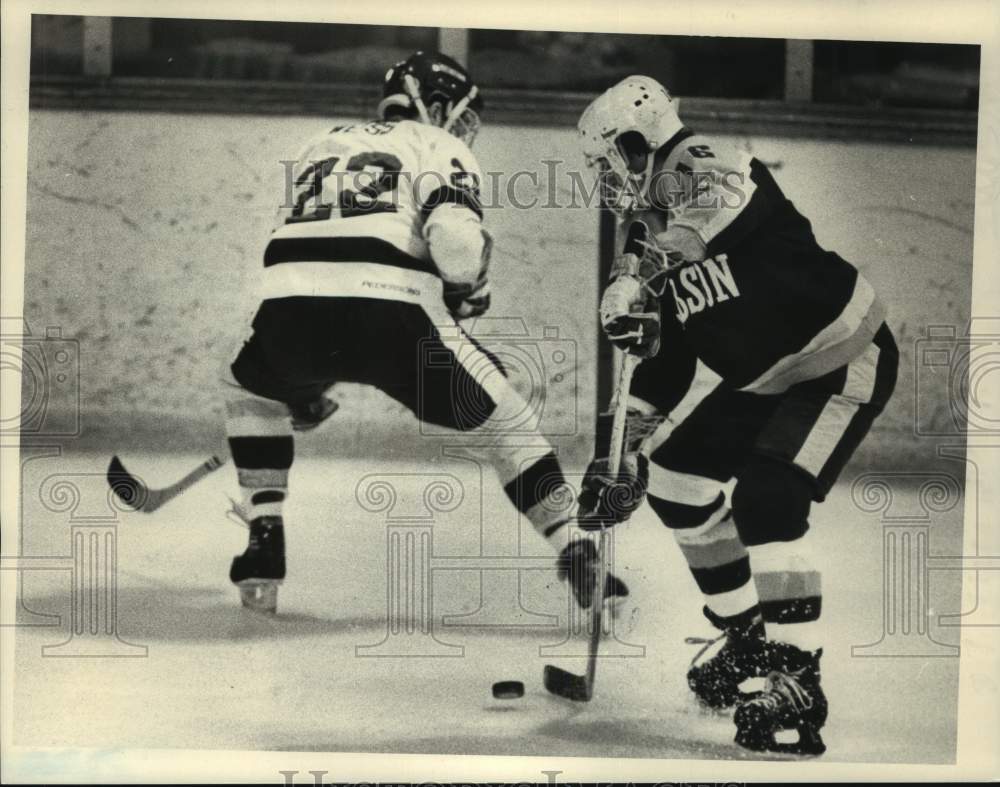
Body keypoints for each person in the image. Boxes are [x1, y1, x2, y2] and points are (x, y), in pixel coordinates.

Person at [222, 51, 628, 617]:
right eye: (460, 116)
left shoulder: (320, 142)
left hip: (289, 309)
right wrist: (466, 288)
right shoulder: (440, 145)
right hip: (392, 315)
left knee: (247, 388)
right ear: (434, 106)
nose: (464, 130)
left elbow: (302, 251)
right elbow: (457, 248)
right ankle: (575, 547)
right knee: (507, 423)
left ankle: (264, 533)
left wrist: (296, 389)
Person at [576, 75, 898, 755]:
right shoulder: (652, 230)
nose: (604, 179)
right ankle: (750, 647)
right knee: (675, 479)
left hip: (840, 357)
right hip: (770, 377)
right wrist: (621, 449)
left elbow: (705, 224)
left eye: (607, 159)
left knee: (769, 498)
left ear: (637, 144)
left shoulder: (711, 164)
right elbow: (665, 365)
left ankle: (797, 676)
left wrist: (637, 269)